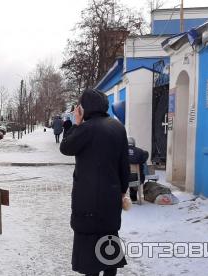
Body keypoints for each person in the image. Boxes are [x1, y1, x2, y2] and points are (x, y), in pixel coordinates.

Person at [60, 89, 130, 276]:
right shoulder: (117, 127)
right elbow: (124, 164)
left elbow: (66, 147)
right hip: (111, 197)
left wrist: (75, 123)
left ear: (85, 108)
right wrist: (123, 191)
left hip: (88, 200)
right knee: (109, 243)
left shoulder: (85, 128)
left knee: (90, 253)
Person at [127, 137, 149, 202]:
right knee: (142, 166)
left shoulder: (121, 151)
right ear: (134, 143)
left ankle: (128, 198)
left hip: (125, 178)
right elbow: (146, 155)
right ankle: (138, 197)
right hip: (138, 177)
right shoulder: (140, 151)